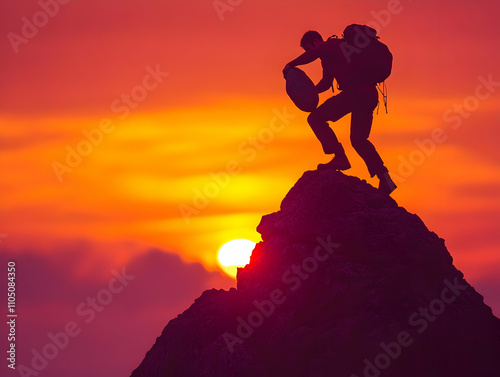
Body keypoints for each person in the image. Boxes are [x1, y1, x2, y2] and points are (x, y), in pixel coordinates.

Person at [283, 30, 397, 194]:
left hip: (355, 93)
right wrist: (308, 92)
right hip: (368, 95)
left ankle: (340, 157)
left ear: (316, 41)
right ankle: (385, 179)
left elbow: (313, 55)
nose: (309, 52)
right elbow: (326, 82)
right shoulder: (329, 57)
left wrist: (290, 65)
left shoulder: (330, 45)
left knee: (315, 119)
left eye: (309, 48)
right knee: (359, 140)